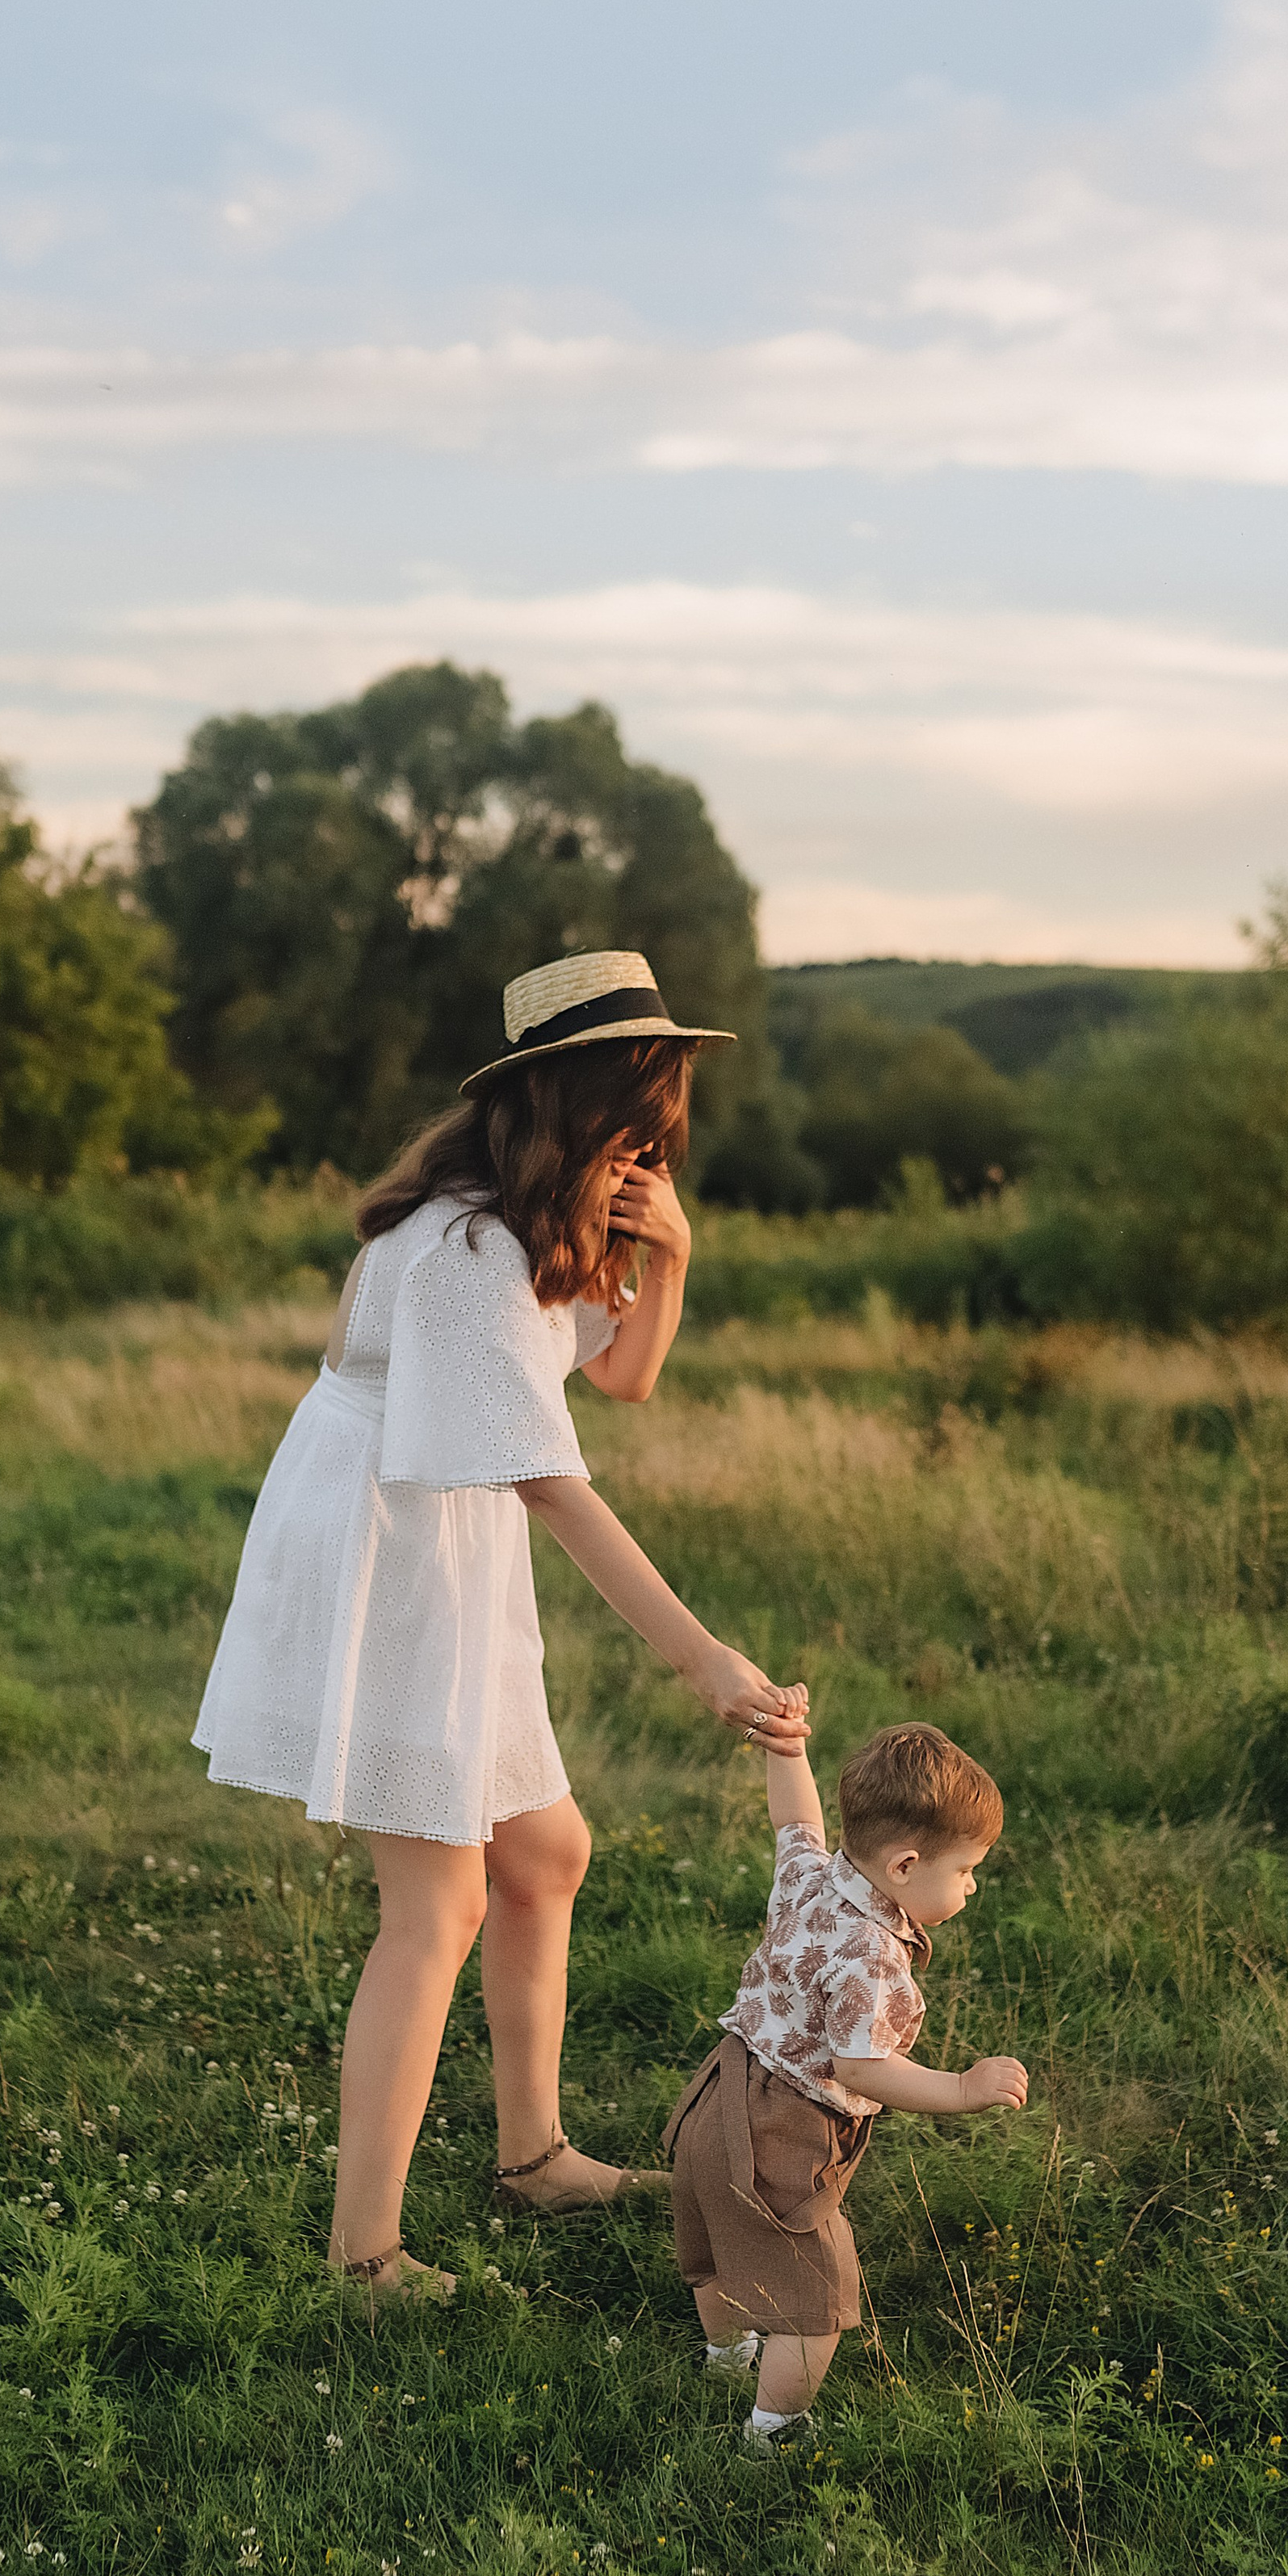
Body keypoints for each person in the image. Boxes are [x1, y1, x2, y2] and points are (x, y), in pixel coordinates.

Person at [192, 948, 811, 2298]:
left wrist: (674, 1252)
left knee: (544, 1854)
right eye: (639, 1112)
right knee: (440, 1898)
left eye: (667, 1121)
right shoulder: (468, 1247)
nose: (653, 1142)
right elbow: (553, 1478)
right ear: (573, 1101)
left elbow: (623, 1383)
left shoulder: (538, 1220)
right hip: (392, 1539)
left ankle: (533, 2158)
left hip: (448, 1524)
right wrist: (700, 1655)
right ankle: (365, 2255)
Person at [664, 1714, 1029, 2451]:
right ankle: (774, 2433)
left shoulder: (810, 1875)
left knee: (716, 2238)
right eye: (964, 1871)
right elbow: (862, 2067)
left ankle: (727, 2361)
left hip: (718, 2089)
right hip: (782, 2130)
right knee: (817, 2296)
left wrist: (787, 1750)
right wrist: (960, 2088)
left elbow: (794, 1817)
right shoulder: (869, 1958)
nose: (972, 1886)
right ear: (903, 1867)